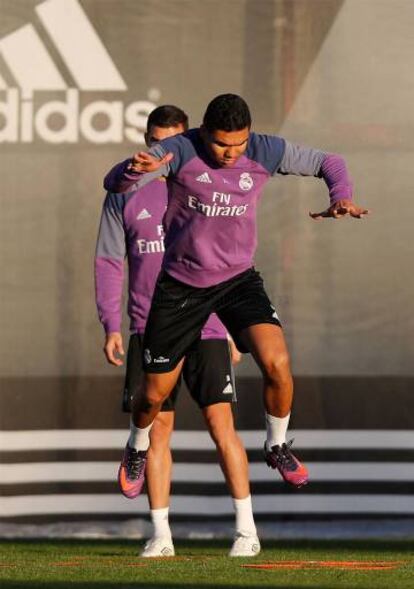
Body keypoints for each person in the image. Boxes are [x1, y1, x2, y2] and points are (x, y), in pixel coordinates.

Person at [104, 93, 368, 515]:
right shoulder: (179, 149)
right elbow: (114, 184)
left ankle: (277, 444)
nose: (230, 154)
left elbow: (330, 162)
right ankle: (136, 446)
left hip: (238, 280)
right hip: (181, 286)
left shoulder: (265, 150)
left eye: (238, 144)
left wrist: (341, 194)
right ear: (205, 133)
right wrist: (131, 170)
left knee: (278, 363)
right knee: (153, 396)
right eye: (221, 144)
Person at [96, 104, 260, 558]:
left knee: (221, 424)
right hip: (150, 326)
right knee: (157, 429)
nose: (161, 152)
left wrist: (233, 323)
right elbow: (110, 260)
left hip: (207, 324)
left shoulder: (209, 187)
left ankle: (246, 530)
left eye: (170, 144)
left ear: (189, 141)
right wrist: (112, 323)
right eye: (155, 143)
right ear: (147, 141)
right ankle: (160, 535)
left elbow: (232, 257)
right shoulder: (126, 192)